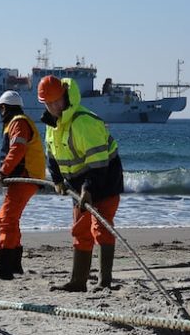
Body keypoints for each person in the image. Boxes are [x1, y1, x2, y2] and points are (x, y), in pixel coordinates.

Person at [38, 75, 124, 292]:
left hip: (105, 180)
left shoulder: (84, 121)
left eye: (57, 101)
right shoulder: (52, 125)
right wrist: (57, 179)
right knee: (80, 230)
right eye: (49, 104)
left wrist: (88, 188)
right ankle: (78, 282)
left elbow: (98, 164)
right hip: (79, 184)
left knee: (101, 227)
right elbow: (52, 155)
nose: (54, 107)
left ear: (65, 96)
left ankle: (105, 282)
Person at [0, 90, 46, 280]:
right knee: (11, 219)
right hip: (24, 177)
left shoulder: (17, 122)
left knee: (6, 219)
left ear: (3, 108)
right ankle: (15, 265)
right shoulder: (19, 121)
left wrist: (2, 172)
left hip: (25, 177)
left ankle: (5, 269)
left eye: (0, 109)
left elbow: (18, 149)